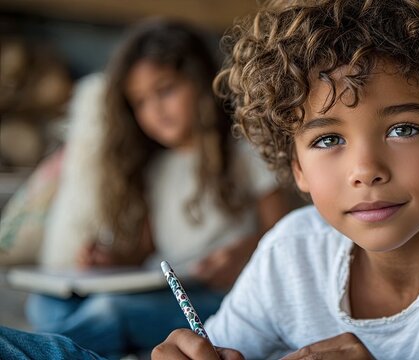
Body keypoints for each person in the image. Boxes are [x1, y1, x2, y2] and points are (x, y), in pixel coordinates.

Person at [0, 0, 419, 359]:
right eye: (328, 140)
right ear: (297, 166)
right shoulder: (292, 254)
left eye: (402, 129)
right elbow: (223, 345)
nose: (365, 168)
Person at [22, 18, 289, 359]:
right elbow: (147, 248)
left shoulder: (243, 150)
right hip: (163, 288)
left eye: (165, 90)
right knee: (46, 302)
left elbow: (279, 230)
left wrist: (242, 254)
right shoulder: (155, 168)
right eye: (140, 102)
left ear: (199, 81)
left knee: (111, 312)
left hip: (217, 295)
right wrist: (111, 260)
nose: (155, 111)